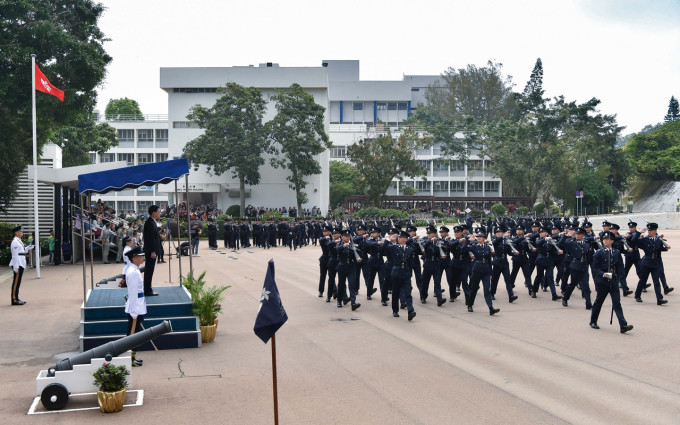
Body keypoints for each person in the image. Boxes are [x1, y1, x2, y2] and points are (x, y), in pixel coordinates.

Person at [589, 232, 633, 333]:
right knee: (599, 302)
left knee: (617, 303)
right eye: (604, 239)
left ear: (612, 241)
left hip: (613, 281)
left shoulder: (616, 252)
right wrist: (603, 274)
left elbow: (620, 267)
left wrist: (621, 280)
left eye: (608, 239)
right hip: (603, 281)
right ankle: (593, 321)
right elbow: (595, 268)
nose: (605, 241)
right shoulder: (599, 252)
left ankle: (623, 325)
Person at [634, 222, 670, 305]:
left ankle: (659, 299)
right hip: (646, 262)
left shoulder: (658, 240)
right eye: (648, 230)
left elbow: (659, 249)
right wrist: (639, 233)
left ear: (655, 231)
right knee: (643, 280)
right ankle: (637, 295)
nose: (649, 232)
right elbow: (634, 242)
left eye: (651, 230)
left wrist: (666, 248)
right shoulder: (644, 240)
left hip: (655, 262)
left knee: (656, 281)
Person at [124, 246, 146, 366]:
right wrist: (134, 311)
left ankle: (132, 357)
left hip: (138, 304)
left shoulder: (135, 270)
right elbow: (132, 293)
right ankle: (130, 359)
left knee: (135, 333)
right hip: (135, 306)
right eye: (140, 256)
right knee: (132, 333)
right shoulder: (132, 273)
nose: (142, 258)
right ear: (134, 258)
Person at [386, 231, 416, 320]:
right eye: (398, 237)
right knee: (395, 293)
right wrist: (389, 240)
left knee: (408, 292)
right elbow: (384, 248)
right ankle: (395, 310)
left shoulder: (410, 249)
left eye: (401, 237)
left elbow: (411, 263)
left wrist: (409, 274)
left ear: (405, 239)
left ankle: (411, 310)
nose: (399, 239)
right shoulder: (394, 247)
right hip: (396, 272)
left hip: (406, 273)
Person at [9, 225, 33, 305]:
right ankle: (14, 299)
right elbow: (15, 255)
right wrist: (15, 266)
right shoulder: (15, 242)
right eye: (21, 231)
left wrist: (27, 248)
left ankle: (16, 298)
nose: (22, 232)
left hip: (21, 262)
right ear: (16, 233)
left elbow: (21, 252)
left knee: (18, 282)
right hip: (18, 263)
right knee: (16, 282)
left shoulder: (19, 240)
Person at [142, 205, 162, 296]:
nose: (159, 213)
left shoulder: (152, 222)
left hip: (152, 251)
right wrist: (153, 251)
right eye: (158, 211)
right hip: (151, 251)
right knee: (149, 270)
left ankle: (147, 288)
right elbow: (150, 239)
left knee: (150, 270)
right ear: (154, 213)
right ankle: (147, 290)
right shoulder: (150, 222)